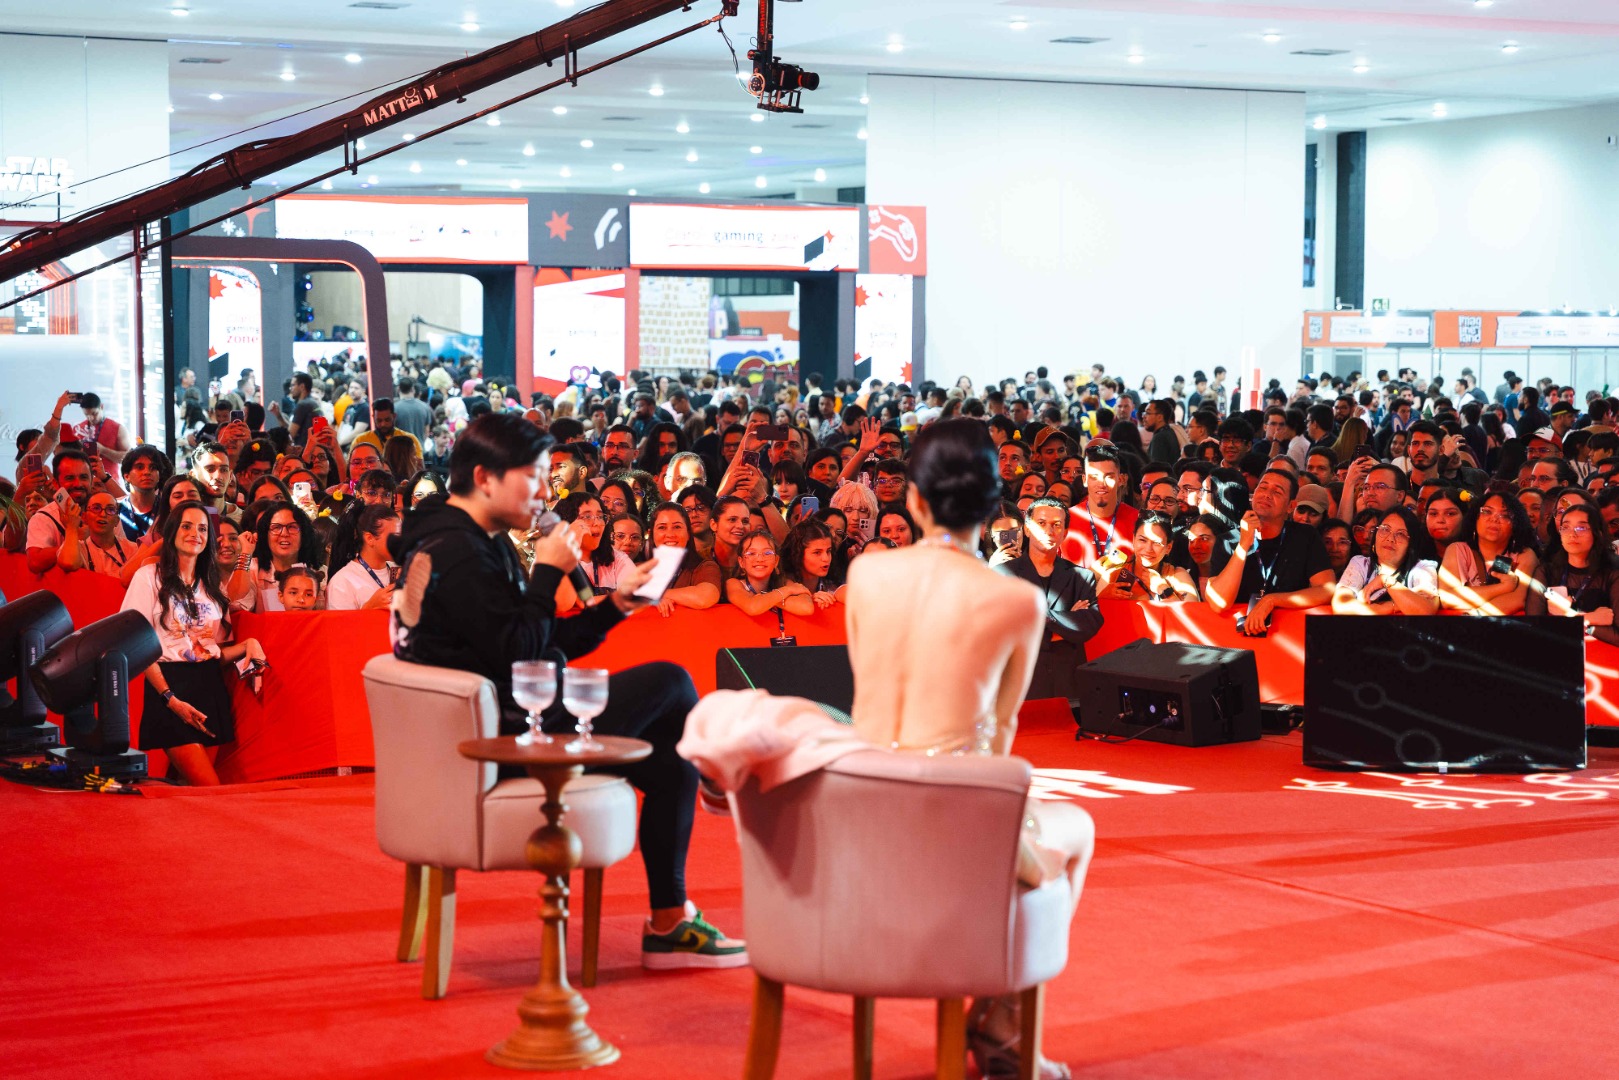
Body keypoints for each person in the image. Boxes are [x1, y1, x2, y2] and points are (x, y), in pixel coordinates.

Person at [390, 411, 745, 969]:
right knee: (671, 681)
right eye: (534, 476)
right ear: (485, 478)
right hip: (500, 740)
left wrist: (616, 605)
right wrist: (548, 573)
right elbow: (523, 653)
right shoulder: (458, 553)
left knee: (668, 760)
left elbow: (536, 642)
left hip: (511, 715)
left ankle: (671, 919)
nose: (545, 492)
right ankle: (716, 778)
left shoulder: (464, 540)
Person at [843, 421, 1093, 1079]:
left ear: (914, 500)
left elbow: (867, 689)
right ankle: (1003, 1022)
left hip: (857, 812)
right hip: (951, 818)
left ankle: (1001, 1023)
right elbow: (999, 739)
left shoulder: (866, 573)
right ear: (993, 507)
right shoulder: (1017, 599)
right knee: (1077, 829)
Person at [121, 501, 266, 786]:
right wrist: (169, 699)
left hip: (210, 688)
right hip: (170, 688)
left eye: (202, 529)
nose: (195, 534)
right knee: (210, 789)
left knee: (192, 792)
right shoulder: (149, 577)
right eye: (186, 526)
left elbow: (211, 652)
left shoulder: (211, 585)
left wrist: (248, 644)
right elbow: (136, 644)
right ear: (172, 532)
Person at [994, 497, 1104, 703]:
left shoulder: (1081, 576)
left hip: (1068, 688)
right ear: (1027, 530)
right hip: (1019, 688)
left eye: (1057, 525)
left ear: (1065, 533)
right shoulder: (1003, 574)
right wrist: (1065, 624)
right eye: (1041, 523)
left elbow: (1088, 625)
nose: (1049, 530)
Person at [1205, 468, 1336, 635]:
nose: (1267, 494)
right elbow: (1219, 603)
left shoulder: (1305, 536)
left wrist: (1272, 600)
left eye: (1277, 492)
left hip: (1287, 633)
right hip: (1235, 637)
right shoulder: (1227, 540)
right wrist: (1243, 545)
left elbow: (1326, 589)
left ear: (1290, 506)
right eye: (1263, 487)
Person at [1526, 504, 1619, 642]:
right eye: (1566, 527)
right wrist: (1585, 619)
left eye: (1581, 528)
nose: (1572, 534)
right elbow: (1532, 628)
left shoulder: (1612, 573)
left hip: (1599, 652)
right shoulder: (1546, 572)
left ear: (1597, 534)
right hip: (1557, 649)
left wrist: (1574, 621)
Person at [1437, 490, 1540, 615]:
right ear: (1475, 518)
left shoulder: (1525, 555)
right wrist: (1503, 587)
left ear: (1516, 524)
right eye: (1487, 512)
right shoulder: (1457, 550)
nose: (1494, 519)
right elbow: (1447, 598)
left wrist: (1476, 616)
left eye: (1505, 515)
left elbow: (1518, 599)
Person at [1331, 506, 1440, 615]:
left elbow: (1425, 610)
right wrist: (1393, 606)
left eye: (1401, 534)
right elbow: (1341, 605)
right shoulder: (1360, 564)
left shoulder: (1423, 568)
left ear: (1411, 544)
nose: (1390, 538)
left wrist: (1386, 581)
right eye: (1385, 529)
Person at [1062, 442, 1137, 570]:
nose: (1101, 484)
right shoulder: (1065, 518)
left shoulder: (1137, 520)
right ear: (1084, 480)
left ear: (1120, 480)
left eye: (1109, 477)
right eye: (1094, 477)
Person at [1097, 511, 1200, 602]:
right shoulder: (1112, 575)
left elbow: (1192, 615)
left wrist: (1164, 590)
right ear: (1133, 540)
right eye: (1142, 540)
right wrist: (1102, 598)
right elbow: (1092, 612)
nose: (1148, 549)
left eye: (1157, 543)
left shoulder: (1177, 576)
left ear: (1168, 547)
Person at [646, 504, 722, 616]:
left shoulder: (705, 567)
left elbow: (705, 597)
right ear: (651, 534)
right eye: (662, 527)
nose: (670, 534)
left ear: (688, 533)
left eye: (677, 527)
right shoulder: (637, 569)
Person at [25, 449, 94, 573]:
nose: (78, 484)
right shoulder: (43, 518)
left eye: (83, 477)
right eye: (70, 478)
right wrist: (75, 540)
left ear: (91, 480)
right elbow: (35, 562)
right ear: (56, 484)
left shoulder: (105, 511)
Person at [326, 504, 401, 611]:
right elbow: (340, 622)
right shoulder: (342, 582)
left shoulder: (399, 570)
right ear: (369, 538)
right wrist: (369, 608)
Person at [56, 490, 140, 583]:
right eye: (96, 508)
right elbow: (69, 563)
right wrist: (71, 528)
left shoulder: (133, 550)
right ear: (84, 517)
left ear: (117, 521)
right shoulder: (78, 549)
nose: (103, 514)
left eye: (110, 509)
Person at [724, 529, 813, 616]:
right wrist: (787, 591)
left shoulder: (784, 583)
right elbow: (752, 607)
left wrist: (765, 598)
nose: (760, 559)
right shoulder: (732, 584)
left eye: (767, 553)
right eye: (751, 553)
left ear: (776, 561)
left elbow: (806, 608)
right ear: (741, 562)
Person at [117, 445, 171, 542]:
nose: (147, 472)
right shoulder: (116, 509)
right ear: (126, 476)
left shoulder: (169, 508)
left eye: (153, 467)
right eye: (140, 467)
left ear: (159, 476)